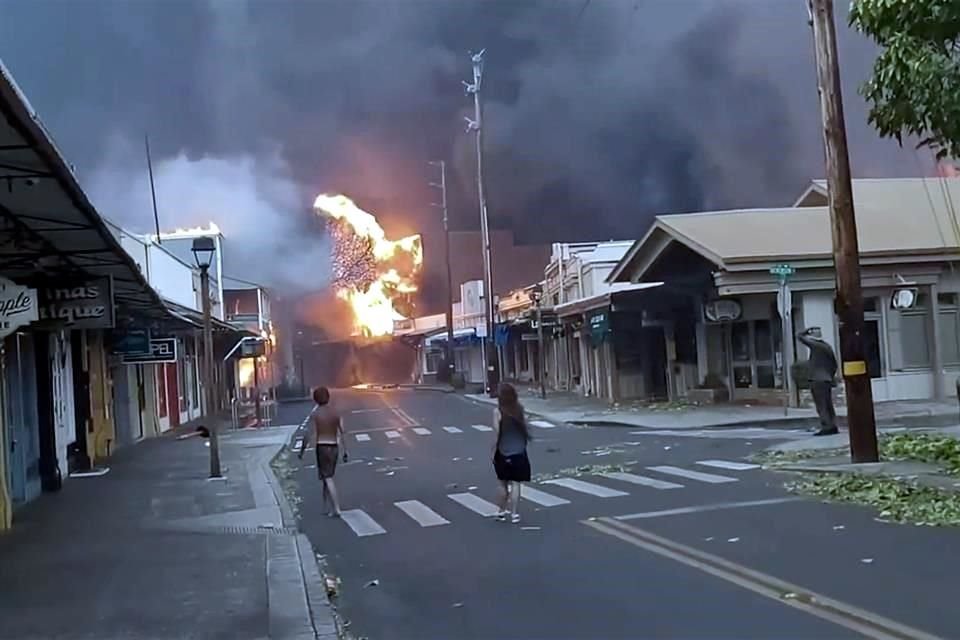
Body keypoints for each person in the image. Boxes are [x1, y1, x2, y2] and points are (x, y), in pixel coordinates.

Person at [299, 386, 347, 517]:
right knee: (326, 476)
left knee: (327, 477)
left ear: (315, 399)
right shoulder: (336, 412)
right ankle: (327, 507)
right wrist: (345, 451)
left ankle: (336, 508)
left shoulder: (315, 414)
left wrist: (302, 451)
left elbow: (307, 434)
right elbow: (342, 432)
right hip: (334, 447)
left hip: (322, 447)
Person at [492, 383, 531, 524]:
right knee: (516, 484)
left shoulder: (498, 412)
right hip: (519, 451)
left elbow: (497, 434)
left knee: (502, 483)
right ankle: (515, 514)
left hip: (503, 451)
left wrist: (493, 450)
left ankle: (501, 511)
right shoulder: (519, 409)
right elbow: (524, 428)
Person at [798, 327, 839, 436]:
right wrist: (829, 375)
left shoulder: (816, 346)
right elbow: (834, 365)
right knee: (828, 404)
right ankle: (833, 425)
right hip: (826, 379)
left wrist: (806, 331)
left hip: (817, 380)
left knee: (821, 405)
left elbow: (799, 337)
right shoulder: (827, 347)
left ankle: (826, 427)